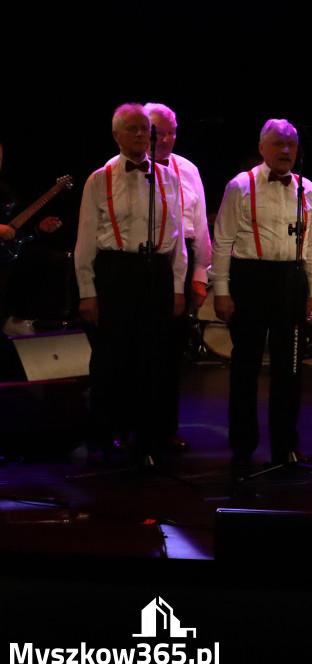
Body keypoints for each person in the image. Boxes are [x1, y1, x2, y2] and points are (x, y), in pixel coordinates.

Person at [75, 103, 186, 461]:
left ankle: (148, 433)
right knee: (111, 355)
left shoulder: (167, 176)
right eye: (134, 128)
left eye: (145, 129)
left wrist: (179, 287)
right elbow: (86, 239)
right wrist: (87, 291)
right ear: (116, 134)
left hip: (156, 271)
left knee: (152, 356)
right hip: (115, 270)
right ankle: (108, 433)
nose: (141, 134)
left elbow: (178, 237)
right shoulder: (100, 178)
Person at [211, 119, 312, 466]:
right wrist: (221, 289)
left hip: (290, 279)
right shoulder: (239, 186)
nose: (286, 151)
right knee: (245, 367)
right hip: (250, 279)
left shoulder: (309, 189)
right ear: (262, 148)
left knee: (289, 368)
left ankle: (285, 445)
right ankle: (243, 448)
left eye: (291, 144)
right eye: (278, 144)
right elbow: (223, 240)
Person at [140, 102, 211, 453]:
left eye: (170, 132)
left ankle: (165, 427)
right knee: (136, 350)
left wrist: (201, 275)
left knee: (170, 352)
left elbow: (199, 226)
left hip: (180, 261)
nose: (165, 139)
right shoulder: (122, 170)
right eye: (158, 132)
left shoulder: (188, 169)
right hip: (140, 260)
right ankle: (130, 427)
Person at [1, 139, 64, 337]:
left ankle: (21, 317)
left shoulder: (4, 189)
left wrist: (37, 229)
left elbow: (13, 228)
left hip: (6, 252)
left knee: (51, 260)